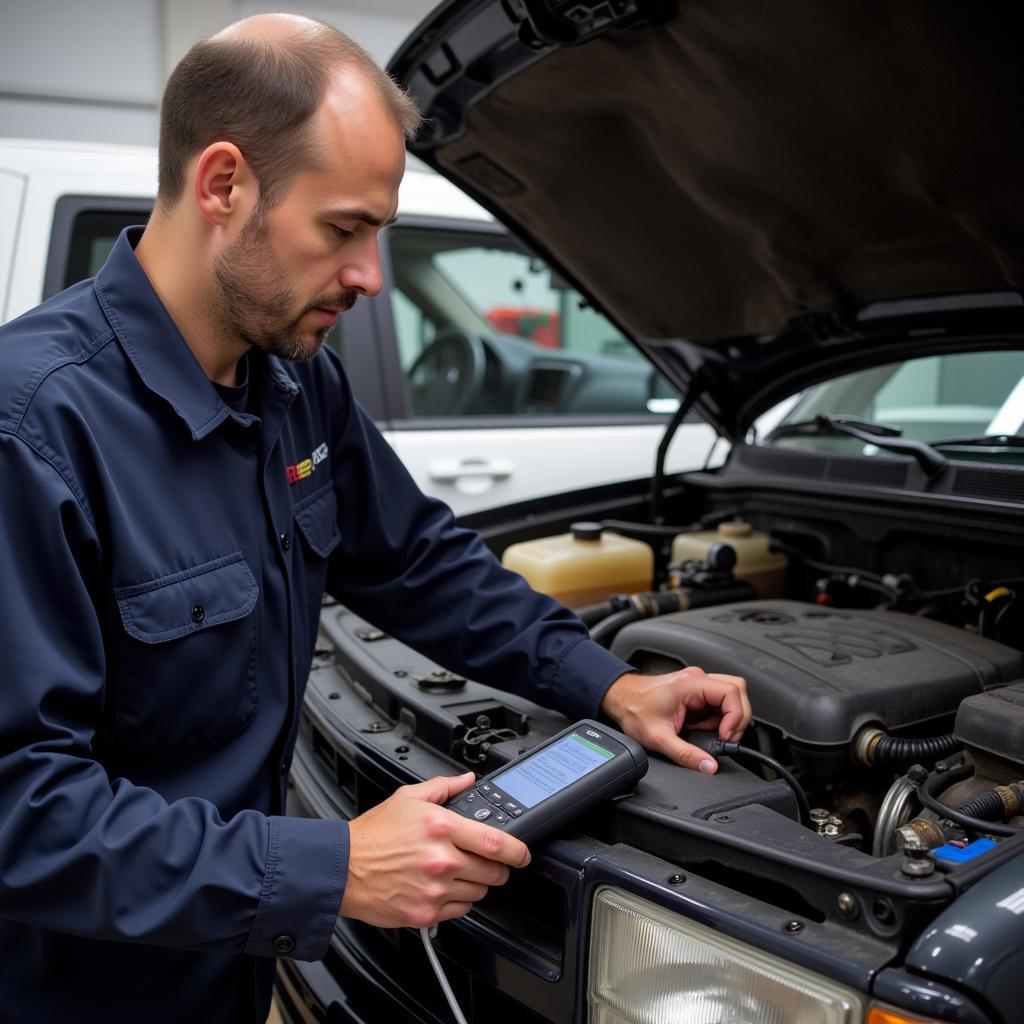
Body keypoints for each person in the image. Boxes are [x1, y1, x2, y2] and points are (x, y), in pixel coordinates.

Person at [0, 13, 751, 1023]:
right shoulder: (33, 430)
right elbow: (20, 813)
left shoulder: (292, 385)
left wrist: (611, 683)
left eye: (378, 235)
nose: (366, 277)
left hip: (232, 968)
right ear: (222, 184)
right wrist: (329, 868)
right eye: (342, 228)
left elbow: (421, 562)